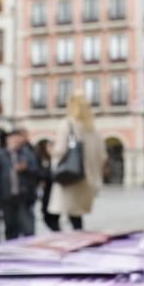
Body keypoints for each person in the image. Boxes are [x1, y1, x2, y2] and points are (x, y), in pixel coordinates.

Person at [47, 93, 105, 231]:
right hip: (87, 180)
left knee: (52, 216)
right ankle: (76, 243)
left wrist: (51, 151)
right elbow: (102, 156)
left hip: (69, 177)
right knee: (76, 218)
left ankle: (65, 243)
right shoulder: (94, 129)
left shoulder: (67, 124)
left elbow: (60, 150)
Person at [0, 129, 38, 239]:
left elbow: (36, 171)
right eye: (14, 138)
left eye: (18, 138)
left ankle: (30, 249)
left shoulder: (27, 153)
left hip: (24, 196)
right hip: (6, 196)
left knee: (28, 228)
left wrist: (26, 169)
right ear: (8, 139)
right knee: (10, 227)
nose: (16, 141)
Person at [36, 140, 59, 232]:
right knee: (47, 217)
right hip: (48, 193)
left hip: (56, 193)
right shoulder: (45, 160)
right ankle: (58, 234)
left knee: (53, 217)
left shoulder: (57, 161)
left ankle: (59, 234)